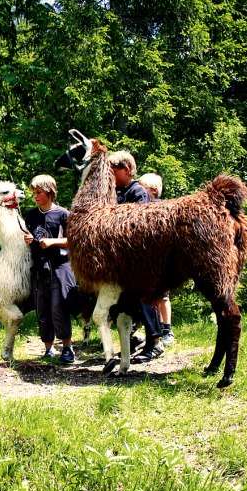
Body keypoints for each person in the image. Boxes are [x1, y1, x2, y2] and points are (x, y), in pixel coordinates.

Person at [109, 152, 164, 363]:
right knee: (121, 303)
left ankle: (155, 342)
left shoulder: (138, 192)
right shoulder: (113, 191)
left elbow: (138, 223)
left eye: (115, 171)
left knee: (144, 299)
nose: (112, 175)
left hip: (139, 258)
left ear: (127, 170)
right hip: (120, 258)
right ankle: (133, 338)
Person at [24, 174, 79, 363]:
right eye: (34, 193)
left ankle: (67, 348)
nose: (35, 196)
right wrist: (29, 239)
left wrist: (53, 242)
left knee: (58, 306)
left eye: (39, 192)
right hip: (40, 268)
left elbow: (73, 240)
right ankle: (48, 348)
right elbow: (29, 237)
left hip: (60, 267)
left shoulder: (63, 214)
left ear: (49, 192)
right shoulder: (31, 215)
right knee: (43, 308)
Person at [138, 173, 174, 346]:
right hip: (147, 261)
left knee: (163, 297)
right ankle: (154, 328)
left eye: (143, 188)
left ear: (152, 190)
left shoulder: (162, 208)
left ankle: (167, 330)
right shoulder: (141, 207)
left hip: (162, 261)